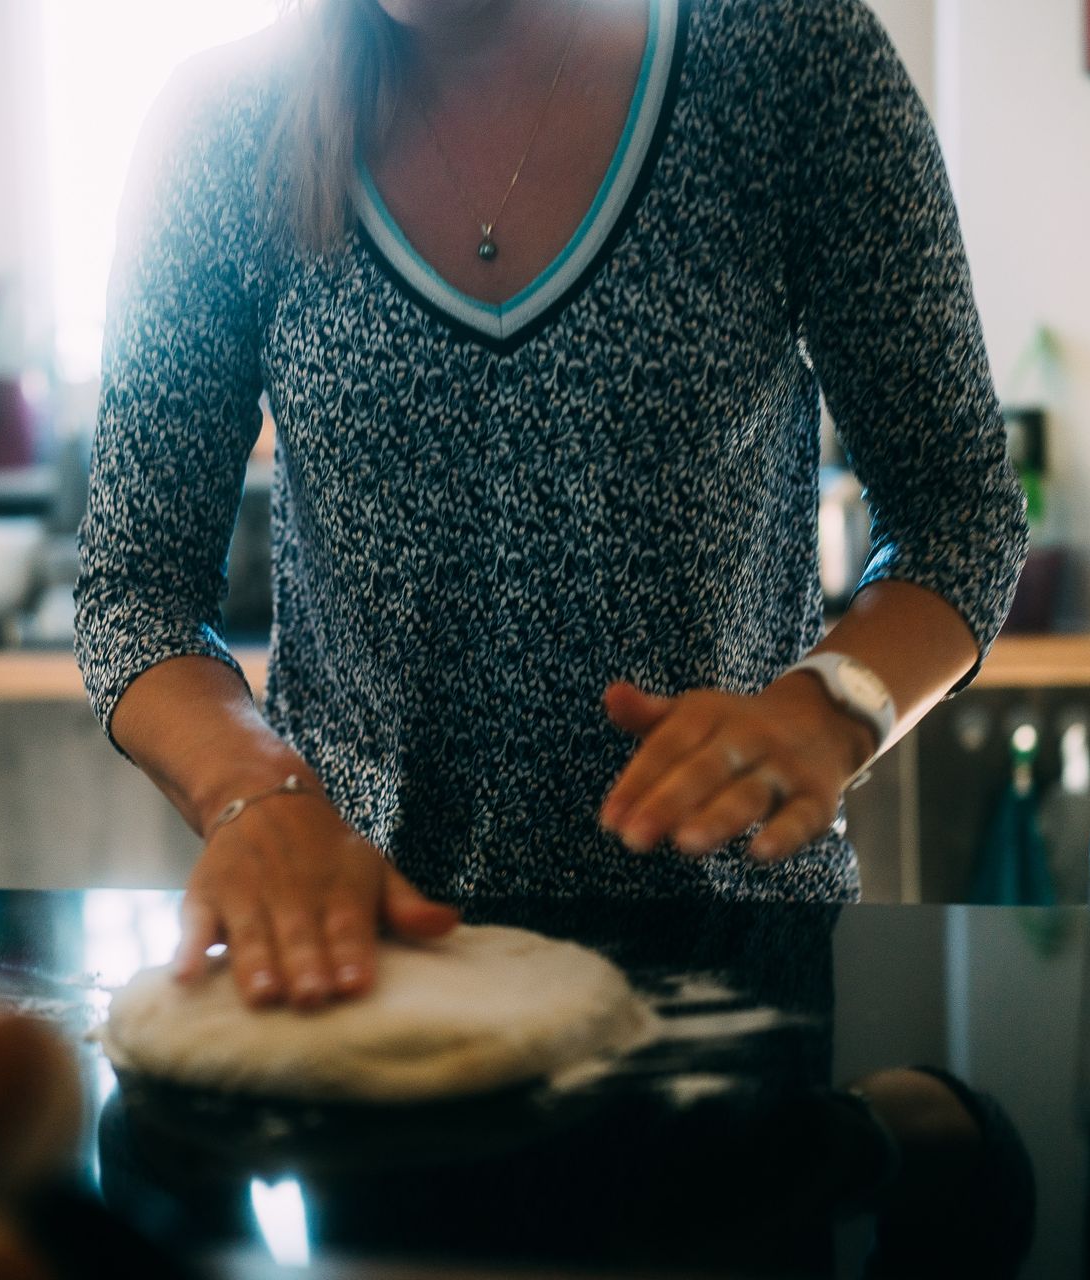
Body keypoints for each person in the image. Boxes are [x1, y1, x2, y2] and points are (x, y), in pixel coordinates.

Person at [76, 0, 1027, 1008]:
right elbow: (135, 586)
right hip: (373, 970)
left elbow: (957, 513)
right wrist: (249, 790)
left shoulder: (787, 57)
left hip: (730, 973)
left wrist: (836, 705)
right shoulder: (226, 125)